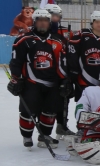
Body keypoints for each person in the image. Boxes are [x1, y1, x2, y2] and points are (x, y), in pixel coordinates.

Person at [7, 8, 70, 149]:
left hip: (52, 82)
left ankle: (44, 136)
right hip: (31, 81)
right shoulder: (24, 39)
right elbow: (16, 62)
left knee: (50, 110)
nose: (42, 24)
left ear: (49, 23)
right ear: (35, 22)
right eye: (40, 21)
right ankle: (27, 136)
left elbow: (61, 63)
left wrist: (64, 80)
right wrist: (15, 78)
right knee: (28, 110)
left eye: (45, 21)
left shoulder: (58, 41)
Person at [44, 4, 75, 138]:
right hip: (46, 74)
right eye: (51, 15)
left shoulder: (66, 32)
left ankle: (62, 126)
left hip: (63, 73)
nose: (54, 18)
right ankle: (44, 131)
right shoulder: (41, 32)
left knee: (64, 101)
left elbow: (71, 51)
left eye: (56, 16)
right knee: (47, 104)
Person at [69, 10, 100, 100]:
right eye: (96, 22)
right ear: (92, 22)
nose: (99, 24)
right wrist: (73, 71)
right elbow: (72, 53)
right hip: (83, 79)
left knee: (99, 108)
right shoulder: (82, 35)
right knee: (83, 107)